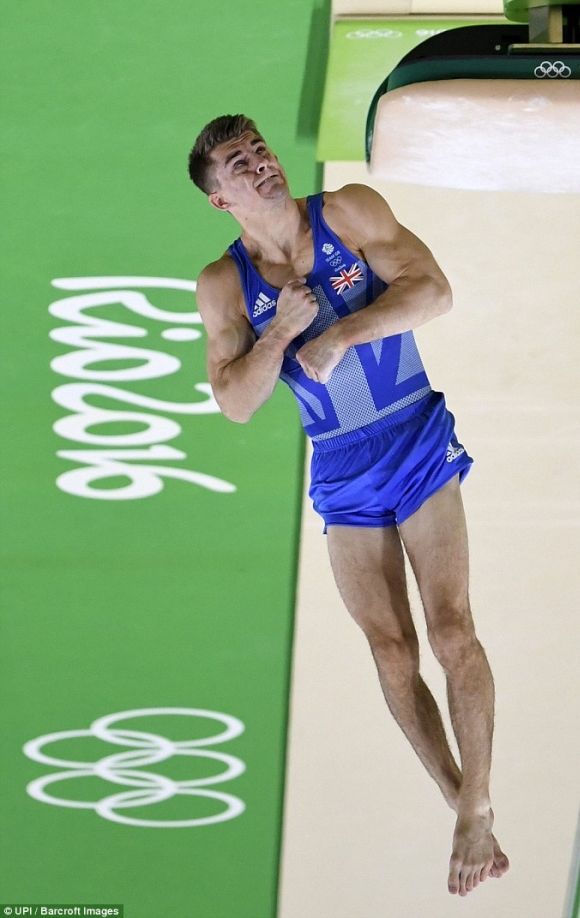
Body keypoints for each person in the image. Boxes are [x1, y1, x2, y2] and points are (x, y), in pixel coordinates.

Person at [188, 114, 508, 897]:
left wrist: (343, 333)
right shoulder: (222, 284)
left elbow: (433, 291)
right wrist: (280, 338)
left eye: (259, 147)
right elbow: (233, 401)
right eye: (238, 162)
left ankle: (479, 800)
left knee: (450, 626)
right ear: (219, 198)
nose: (259, 162)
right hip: (340, 469)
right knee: (392, 651)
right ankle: (457, 800)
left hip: (413, 434)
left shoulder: (348, 212)